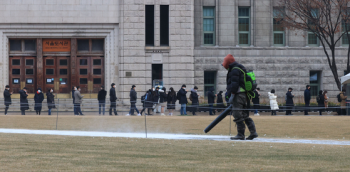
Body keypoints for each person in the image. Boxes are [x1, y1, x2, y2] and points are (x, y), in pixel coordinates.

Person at [222, 54, 258, 140]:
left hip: (238, 95)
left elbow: (234, 84)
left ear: (228, 63)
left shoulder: (234, 70)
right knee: (244, 115)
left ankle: (240, 134)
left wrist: (231, 95)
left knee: (237, 114)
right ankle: (253, 132)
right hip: (244, 95)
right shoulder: (241, 68)